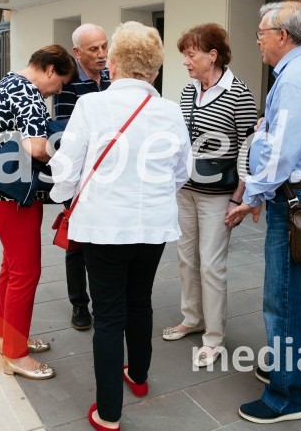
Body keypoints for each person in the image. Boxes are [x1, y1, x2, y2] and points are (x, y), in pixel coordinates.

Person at [49, 22, 191, 431]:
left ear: (112, 64)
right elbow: (183, 171)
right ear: (155, 70)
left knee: (109, 316)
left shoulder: (92, 107)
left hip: (104, 227)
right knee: (140, 300)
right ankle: (139, 377)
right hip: (153, 227)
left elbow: (65, 173)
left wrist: (64, 190)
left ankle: (109, 412)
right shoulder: (169, 110)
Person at [226, 1, 301, 424]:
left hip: (297, 196)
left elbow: (283, 151)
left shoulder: (295, 76)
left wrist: (255, 193)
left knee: (284, 297)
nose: (257, 39)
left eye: (261, 32)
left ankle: (285, 395)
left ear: (284, 35)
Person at [0, 45, 76, 381]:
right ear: (49, 69)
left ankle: (8, 337)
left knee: (11, 268)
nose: (59, 90)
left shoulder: (7, 83)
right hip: (13, 197)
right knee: (25, 273)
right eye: (60, 81)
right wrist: (65, 165)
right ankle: (16, 355)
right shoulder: (29, 93)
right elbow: (36, 147)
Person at [163, 23, 256, 368]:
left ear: (212, 55)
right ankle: (192, 318)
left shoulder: (239, 94)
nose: (186, 61)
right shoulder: (189, 91)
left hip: (219, 195)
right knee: (187, 259)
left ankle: (214, 338)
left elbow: (249, 149)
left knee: (212, 265)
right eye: (184, 55)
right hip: (186, 190)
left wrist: (239, 197)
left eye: (191, 54)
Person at [52, 23, 111, 331]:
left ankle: (103, 301)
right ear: (77, 52)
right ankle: (79, 304)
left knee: (101, 242)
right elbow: (64, 135)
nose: (102, 54)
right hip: (79, 177)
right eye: (93, 49)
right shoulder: (69, 83)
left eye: (104, 46)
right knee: (75, 245)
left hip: (108, 176)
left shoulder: (113, 78)